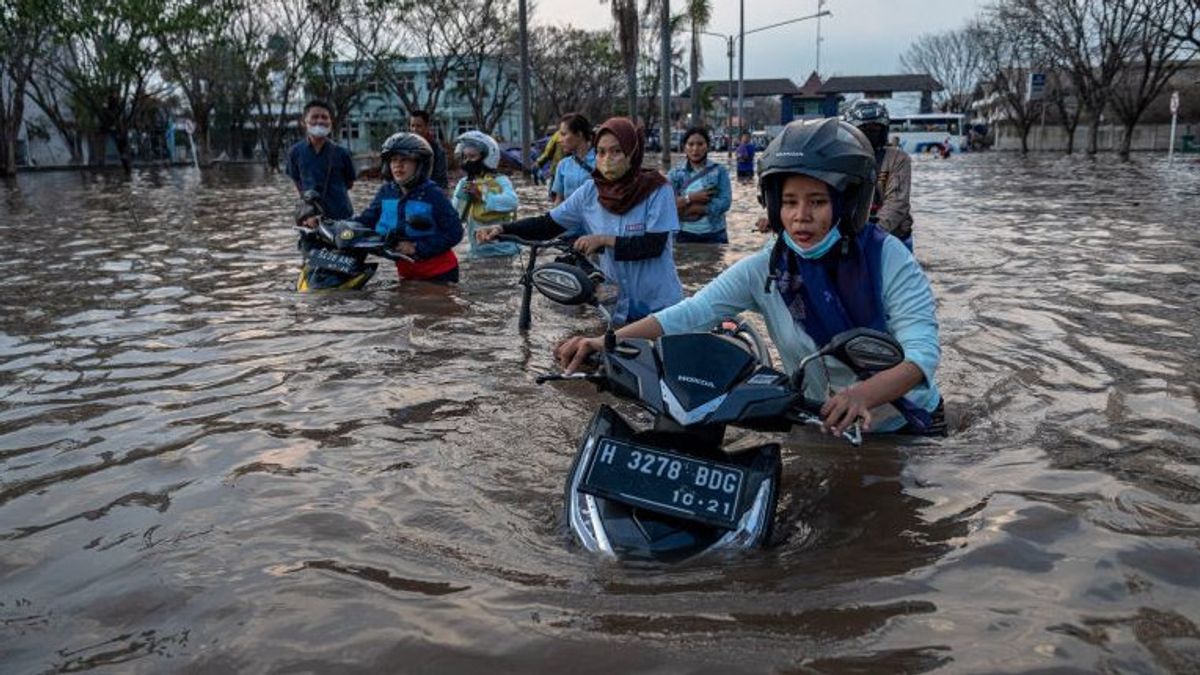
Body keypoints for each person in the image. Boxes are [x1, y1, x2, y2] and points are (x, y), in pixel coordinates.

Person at [556, 118, 944, 436]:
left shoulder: (887, 257)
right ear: (774, 206)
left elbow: (921, 355)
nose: (800, 216)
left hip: (904, 427)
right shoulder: (768, 267)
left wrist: (864, 394)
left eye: (818, 202)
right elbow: (691, 313)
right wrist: (602, 341)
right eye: (789, 202)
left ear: (848, 204)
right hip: (816, 419)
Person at [475, 117, 683, 325]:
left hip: (660, 305)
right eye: (601, 152)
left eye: (616, 151)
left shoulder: (657, 189)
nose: (607, 158)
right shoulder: (590, 191)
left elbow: (653, 245)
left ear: (632, 152)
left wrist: (603, 240)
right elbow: (548, 224)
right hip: (616, 306)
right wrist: (501, 229)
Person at [353, 132, 463, 282]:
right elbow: (367, 219)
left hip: (440, 273)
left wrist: (417, 247)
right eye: (394, 160)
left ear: (420, 164)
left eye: (405, 159)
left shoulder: (434, 194)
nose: (398, 165)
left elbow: (455, 232)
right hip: (407, 273)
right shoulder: (386, 192)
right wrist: (339, 226)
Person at [844, 99, 914, 251]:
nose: (870, 133)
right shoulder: (843, 158)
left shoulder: (898, 158)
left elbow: (897, 203)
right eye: (864, 129)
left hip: (893, 237)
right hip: (851, 235)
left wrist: (873, 235)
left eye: (875, 128)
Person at [452, 130, 520, 258]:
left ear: (487, 157)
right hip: (478, 253)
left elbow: (512, 202)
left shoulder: (501, 180)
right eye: (465, 157)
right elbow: (454, 215)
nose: (467, 161)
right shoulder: (463, 183)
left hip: (505, 251)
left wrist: (482, 195)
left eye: (472, 157)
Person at [287, 100, 357, 223]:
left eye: (325, 117)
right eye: (315, 117)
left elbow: (349, 183)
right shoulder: (295, 152)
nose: (320, 121)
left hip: (341, 217)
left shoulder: (342, 153)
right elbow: (297, 180)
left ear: (330, 122)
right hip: (310, 219)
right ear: (304, 122)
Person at [667, 126, 733, 244]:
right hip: (683, 234)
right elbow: (666, 204)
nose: (695, 149)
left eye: (700, 144)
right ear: (684, 148)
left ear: (707, 146)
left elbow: (725, 201)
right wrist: (691, 198)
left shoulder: (719, 171)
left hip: (715, 234)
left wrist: (702, 209)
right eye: (690, 144)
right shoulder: (675, 174)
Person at [550, 112, 596, 207]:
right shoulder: (563, 165)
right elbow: (559, 200)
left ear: (579, 134)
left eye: (563, 134)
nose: (559, 140)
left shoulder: (601, 161)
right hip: (570, 220)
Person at [408, 110, 448, 189]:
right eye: (412, 126)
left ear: (427, 127)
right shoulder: (405, 148)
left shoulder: (437, 150)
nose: (415, 129)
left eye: (419, 126)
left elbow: (440, 180)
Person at [535, 127, 565, 192]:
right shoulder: (582, 136)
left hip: (556, 170)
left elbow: (548, 152)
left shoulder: (557, 135)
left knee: (554, 195)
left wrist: (538, 163)